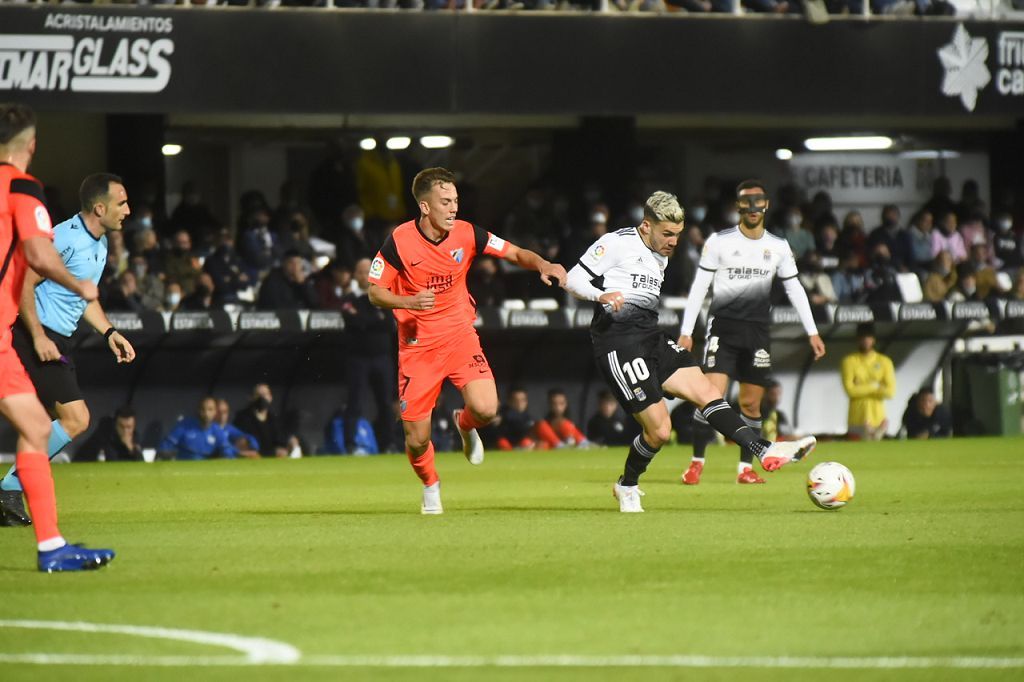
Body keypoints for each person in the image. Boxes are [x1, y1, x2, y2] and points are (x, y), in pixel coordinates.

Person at [564, 190, 817, 512]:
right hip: (618, 343)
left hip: (651, 336)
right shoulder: (616, 243)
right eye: (667, 233)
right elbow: (572, 279)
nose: (673, 241)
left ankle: (764, 449)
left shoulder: (662, 255)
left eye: (678, 235)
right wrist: (600, 295)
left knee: (706, 391)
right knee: (659, 431)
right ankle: (627, 484)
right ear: (645, 226)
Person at [367, 167, 566, 514]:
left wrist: (542, 265)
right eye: (445, 202)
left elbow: (515, 252)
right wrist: (408, 302)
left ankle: (464, 423)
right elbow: (374, 292)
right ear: (425, 207)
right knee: (417, 440)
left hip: (460, 337)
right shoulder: (399, 240)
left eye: (455, 200)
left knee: (487, 409)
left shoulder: (468, 234)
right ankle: (431, 485)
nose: (453, 208)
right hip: (418, 346)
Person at [0, 103, 114, 570]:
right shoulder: (24, 188)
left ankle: (51, 547)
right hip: (12, 331)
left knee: (38, 426)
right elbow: (38, 255)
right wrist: (78, 285)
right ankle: (49, 545)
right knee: (42, 426)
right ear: (32, 145)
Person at [2, 173, 137, 526]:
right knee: (76, 419)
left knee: (43, 423)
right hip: (34, 334)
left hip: (56, 338)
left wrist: (109, 332)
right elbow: (25, 282)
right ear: (99, 207)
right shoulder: (64, 237)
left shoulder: (101, 243)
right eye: (121, 203)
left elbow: (83, 294)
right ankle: (9, 488)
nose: (128, 210)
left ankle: (9, 492)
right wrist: (37, 336)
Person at [678, 180, 826, 486]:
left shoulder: (778, 246)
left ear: (767, 205)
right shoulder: (719, 242)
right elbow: (699, 287)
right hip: (723, 329)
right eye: (747, 202)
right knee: (710, 396)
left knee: (750, 404)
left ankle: (745, 469)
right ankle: (696, 463)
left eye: (759, 202)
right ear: (739, 206)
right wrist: (686, 331)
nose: (753, 208)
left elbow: (794, 288)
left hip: (758, 333)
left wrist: (812, 331)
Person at [340, 257, 396, 453]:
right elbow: (353, 322)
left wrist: (364, 319)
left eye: (368, 271)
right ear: (355, 275)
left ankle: (388, 444)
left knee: (386, 403)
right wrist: (374, 319)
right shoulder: (349, 298)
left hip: (382, 357)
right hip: (358, 358)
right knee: (355, 402)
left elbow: (389, 324)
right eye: (361, 271)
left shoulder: (383, 295)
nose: (365, 275)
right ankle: (350, 444)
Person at [841, 323, 895, 440]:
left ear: (873, 339)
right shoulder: (850, 361)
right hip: (857, 418)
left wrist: (860, 386)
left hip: (878, 418)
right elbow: (850, 390)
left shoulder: (884, 361)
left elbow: (890, 392)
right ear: (857, 339)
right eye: (862, 337)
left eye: (868, 337)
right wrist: (875, 386)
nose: (866, 341)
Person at [158, 396, 257, 460]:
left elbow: (227, 450)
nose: (206, 413)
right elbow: (166, 446)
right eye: (203, 409)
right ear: (198, 410)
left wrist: (242, 454)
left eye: (210, 410)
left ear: (215, 412)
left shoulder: (217, 430)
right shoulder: (185, 425)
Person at [233, 383, 301, 458]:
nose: (262, 398)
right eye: (259, 395)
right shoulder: (243, 418)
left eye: (265, 394)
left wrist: (289, 443)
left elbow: (280, 439)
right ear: (251, 397)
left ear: (270, 397)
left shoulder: (273, 419)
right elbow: (242, 443)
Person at [494, 387, 538, 451]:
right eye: (515, 400)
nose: (519, 404)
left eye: (523, 400)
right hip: (507, 445)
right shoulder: (502, 414)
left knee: (527, 442)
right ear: (509, 402)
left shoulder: (529, 417)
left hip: (523, 444)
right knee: (502, 442)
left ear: (526, 401)